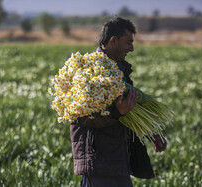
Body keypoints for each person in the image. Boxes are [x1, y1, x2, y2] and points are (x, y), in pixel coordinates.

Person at [70, 16, 167, 187]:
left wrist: (151, 133)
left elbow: (131, 111)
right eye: (128, 42)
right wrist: (117, 112)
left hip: (118, 162)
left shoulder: (119, 71)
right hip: (98, 164)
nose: (132, 48)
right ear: (114, 40)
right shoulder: (87, 71)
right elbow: (84, 118)